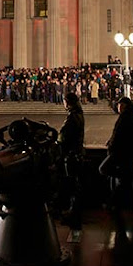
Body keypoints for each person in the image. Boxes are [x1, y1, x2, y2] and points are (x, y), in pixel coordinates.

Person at [99, 96, 133, 211]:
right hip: (125, 153)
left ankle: (127, 175)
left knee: (103, 169)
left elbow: (120, 135)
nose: (118, 107)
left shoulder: (126, 118)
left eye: (120, 105)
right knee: (120, 183)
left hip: (121, 152)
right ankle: (114, 204)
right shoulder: (129, 117)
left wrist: (112, 144)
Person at [56, 92, 85, 231]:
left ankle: (73, 213)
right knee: (75, 185)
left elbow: (64, 136)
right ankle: (74, 211)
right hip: (78, 152)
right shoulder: (79, 114)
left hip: (71, 155)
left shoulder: (72, 117)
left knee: (72, 184)